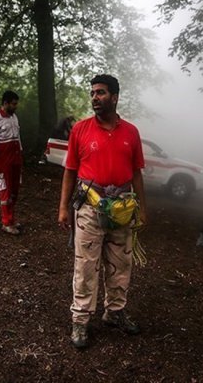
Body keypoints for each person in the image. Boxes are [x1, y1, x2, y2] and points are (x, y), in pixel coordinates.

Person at [58, 74, 147, 349]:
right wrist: (63, 208)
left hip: (122, 208)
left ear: (115, 97)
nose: (95, 97)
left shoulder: (131, 132)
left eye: (101, 93)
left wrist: (142, 210)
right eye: (93, 93)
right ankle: (81, 320)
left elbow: (136, 173)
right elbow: (70, 171)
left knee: (121, 263)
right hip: (89, 206)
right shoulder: (81, 130)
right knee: (85, 265)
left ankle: (115, 312)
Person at [0, 91, 23, 235]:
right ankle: (6, 222)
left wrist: (20, 154)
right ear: (5, 103)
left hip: (15, 157)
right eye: (13, 104)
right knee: (5, 190)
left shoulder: (14, 118)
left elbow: (18, 137)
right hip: (3, 159)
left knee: (14, 190)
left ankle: (12, 218)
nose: (16, 106)